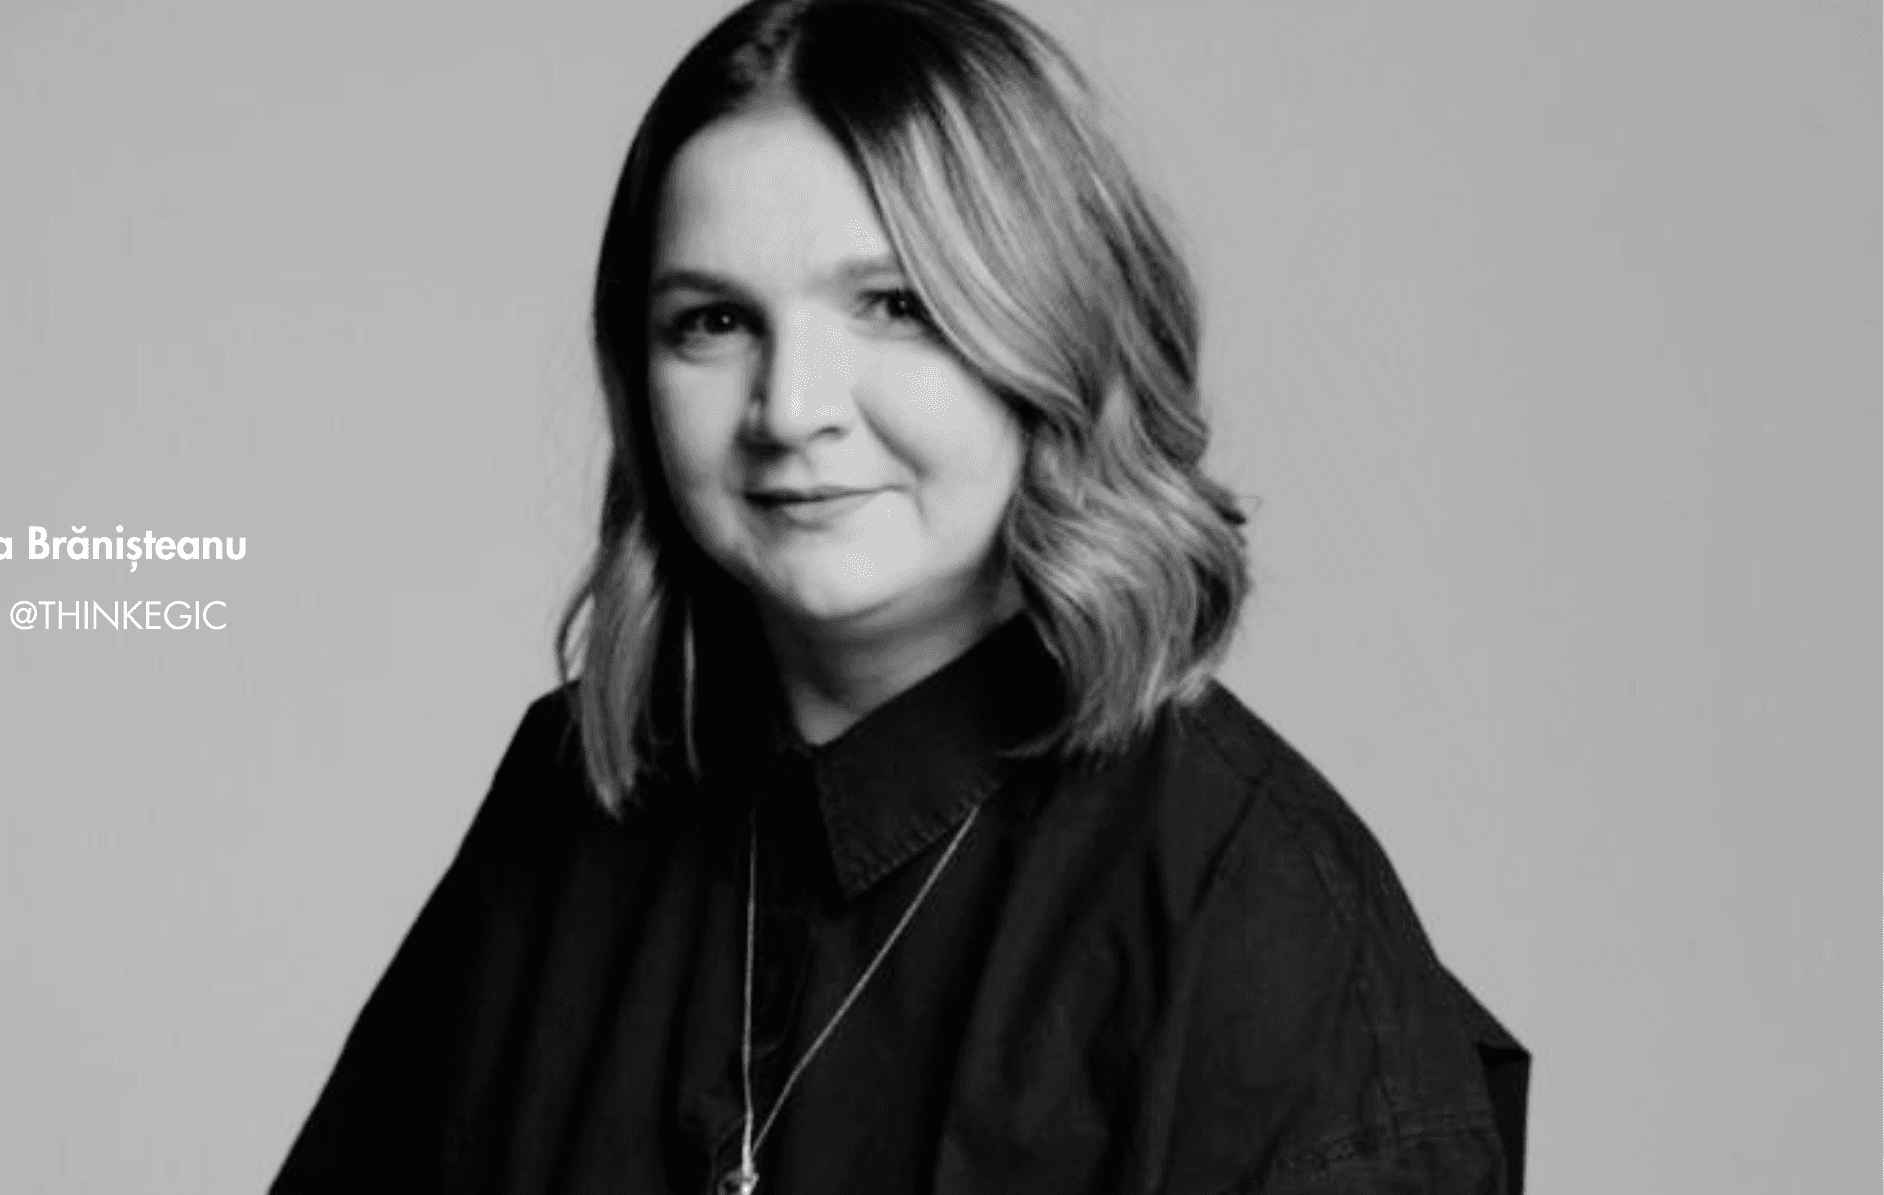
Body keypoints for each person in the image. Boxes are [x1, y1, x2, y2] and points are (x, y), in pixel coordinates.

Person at [273, 0, 1530, 1191]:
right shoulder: (570, 798)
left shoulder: (1254, 905)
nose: (789, 410)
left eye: (893, 306)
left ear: (1053, 333)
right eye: (712, 320)